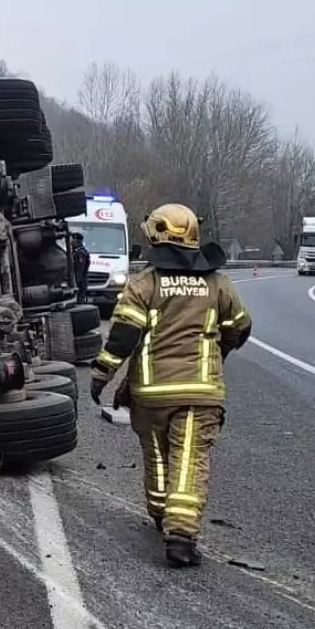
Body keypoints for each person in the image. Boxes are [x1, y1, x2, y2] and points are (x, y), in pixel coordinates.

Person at [88, 203, 252, 568]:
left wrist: (102, 374)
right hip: (199, 393)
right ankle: (180, 533)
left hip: (150, 394)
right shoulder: (218, 284)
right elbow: (240, 327)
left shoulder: (144, 284)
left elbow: (123, 337)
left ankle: (163, 513)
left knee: (159, 456)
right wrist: (217, 351)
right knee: (189, 461)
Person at [71, 232, 91, 303]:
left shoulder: (80, 253)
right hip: (80, 281)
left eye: (72, 239)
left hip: (80, 282)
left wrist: (76, 282)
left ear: (76, 240)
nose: (70, 241)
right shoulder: (75, 251)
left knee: (79, 302)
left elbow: (80, 269)